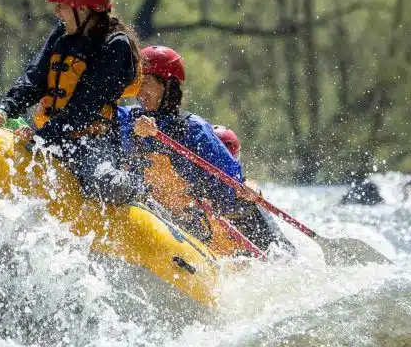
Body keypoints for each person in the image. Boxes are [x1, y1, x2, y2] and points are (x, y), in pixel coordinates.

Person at [0, 0, 145, 205]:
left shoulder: (115, 45)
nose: (57, 12)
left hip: (92, 144)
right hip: (52, 134)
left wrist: (39, 138)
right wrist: (4, 110)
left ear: (84, 8)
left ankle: (138, 188)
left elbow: (83, 108)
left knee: (104, 185)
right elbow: (35, 78)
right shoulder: (62, 34)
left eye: (62, 6)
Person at [121, 45, 291, 253]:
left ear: (168, 85)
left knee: (246, 212)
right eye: (137, 83)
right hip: (160, 213)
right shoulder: (129, 118)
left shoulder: (194, 129)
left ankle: (278, 252)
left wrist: (248, 188)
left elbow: (232, 184)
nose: (139, 91)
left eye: (145, 83)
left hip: (199, 218)